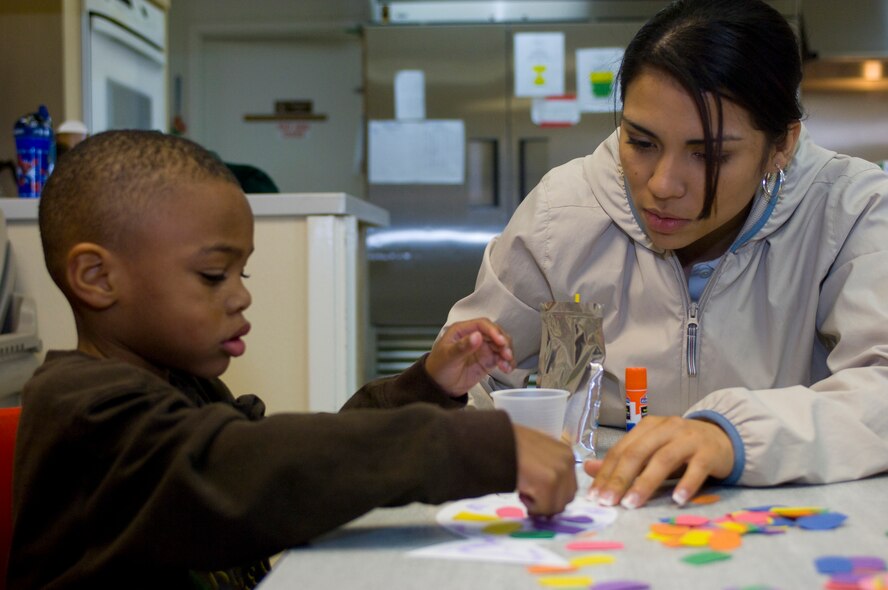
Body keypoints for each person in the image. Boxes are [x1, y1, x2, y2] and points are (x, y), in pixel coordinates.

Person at [8, 130, 577, 589]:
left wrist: (426, 385)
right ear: (97, 277)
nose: (241, 295)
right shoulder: (82, 412)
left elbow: (308, 465)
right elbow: (240, 472)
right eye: (213, 275)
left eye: (242, 273)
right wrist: (472, 445)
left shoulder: (182, 385)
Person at [444, 0, 888, 511]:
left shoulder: (852, 210)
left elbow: (878, 388)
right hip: (598, 510)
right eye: (642, 142)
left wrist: (733, 436)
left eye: (710, 155)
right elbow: (478, 384)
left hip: (788, 509)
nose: (662, 185)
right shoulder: (561, 212)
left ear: (781, 144)